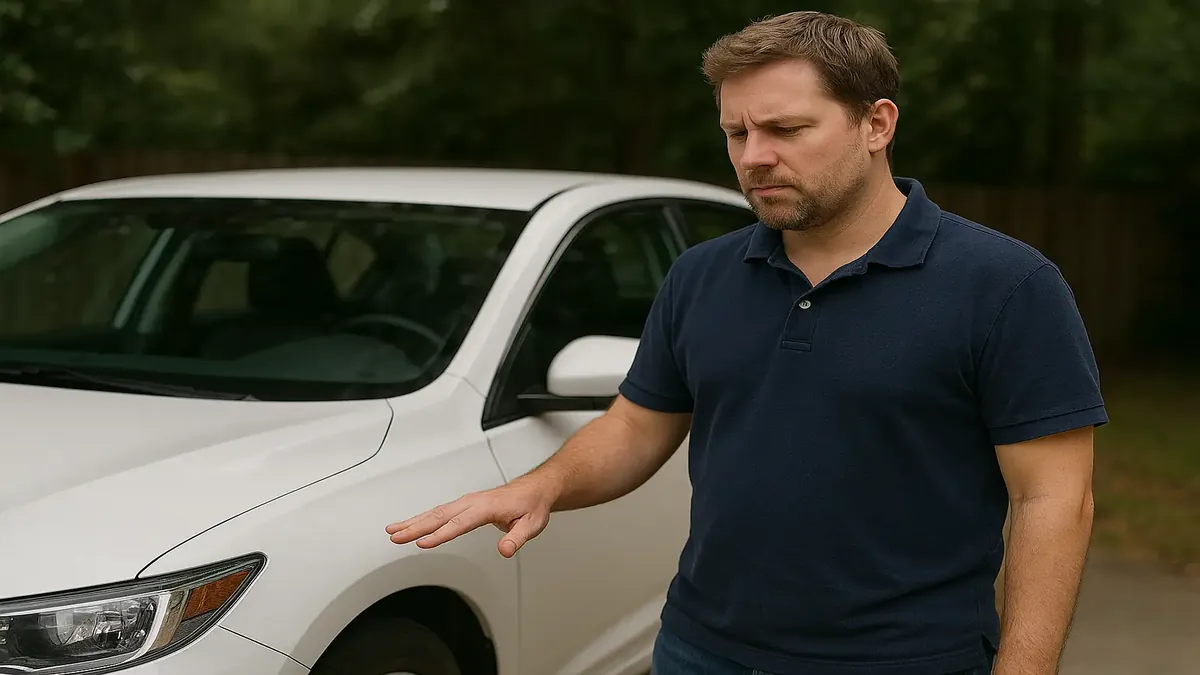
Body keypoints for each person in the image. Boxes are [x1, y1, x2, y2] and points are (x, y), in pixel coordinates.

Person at [386, 10, 1105, 675]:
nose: (753, 157)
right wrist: (542, 484)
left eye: (786, 130)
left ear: (877, 123)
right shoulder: (701, 275)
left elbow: (1053, 498)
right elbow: (637, 427)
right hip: (701, 648)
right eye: (737, 133)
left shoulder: (1007, 286)